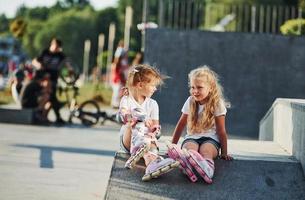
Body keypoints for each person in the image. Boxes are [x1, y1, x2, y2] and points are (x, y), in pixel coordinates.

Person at [167, 65, 233, 184]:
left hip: (211, 139)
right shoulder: (190, 101)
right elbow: (181, 124)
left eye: (199, 87)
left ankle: (207, 169)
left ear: (211, 88)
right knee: (190, 150)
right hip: (192, 137)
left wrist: (224, 152)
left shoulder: (217, 104)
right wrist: (173, 145)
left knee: (205, 151)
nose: (195, 91)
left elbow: (221, 131)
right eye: (192, 87)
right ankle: (186, 164)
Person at [117, 64, 179, 181]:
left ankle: (152, 165)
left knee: (149, 141)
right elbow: (124, 115)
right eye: (153, 85)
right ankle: (140, 149)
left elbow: (155, 128)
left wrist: (155, 130)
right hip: (128, 139)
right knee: (135, 124)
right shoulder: (126, 100)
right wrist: (138, 118)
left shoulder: (153, 104)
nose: (155, 88)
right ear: (140, 85)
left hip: (146, 139)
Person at [32, 38, 72, 124]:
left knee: (52, 98)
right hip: (43, 79)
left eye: (58, 48)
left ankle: (45, 116)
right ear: (52, 45)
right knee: (51, 99)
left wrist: (70, 69)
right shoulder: (45, 52)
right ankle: (52, 116)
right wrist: (38, 65)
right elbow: (34, 61)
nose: (56, 49)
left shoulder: (60, 55)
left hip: (53, 80)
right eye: (55, 46)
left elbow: (67, 63)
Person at [110, 40, 129, 108]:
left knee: (120, 89)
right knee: (117, 89)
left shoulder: (121, 63)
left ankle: (117, 103)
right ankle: (115, 103)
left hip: (120, 77)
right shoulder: (117, 64)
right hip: (118, 77)